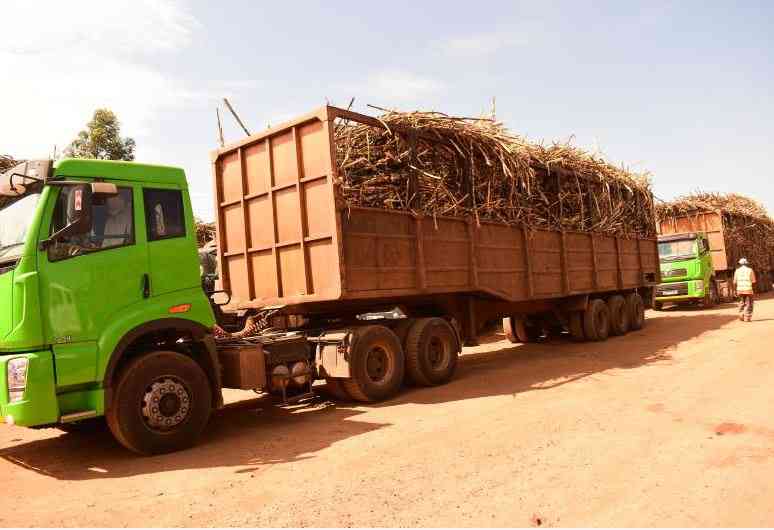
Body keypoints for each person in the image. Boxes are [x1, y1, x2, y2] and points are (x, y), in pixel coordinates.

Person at [734, 257, 756, 322]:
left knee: (741, 302)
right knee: (749, 303)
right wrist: (753, 290)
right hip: (748, 289)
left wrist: (735, 290)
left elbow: (734, 282)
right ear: (746, 264)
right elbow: (753, 281)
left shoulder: (737, 271)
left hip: (740, 289)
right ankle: (748, 317)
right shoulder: (750, 270)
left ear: (740, 264)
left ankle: (741, 314)